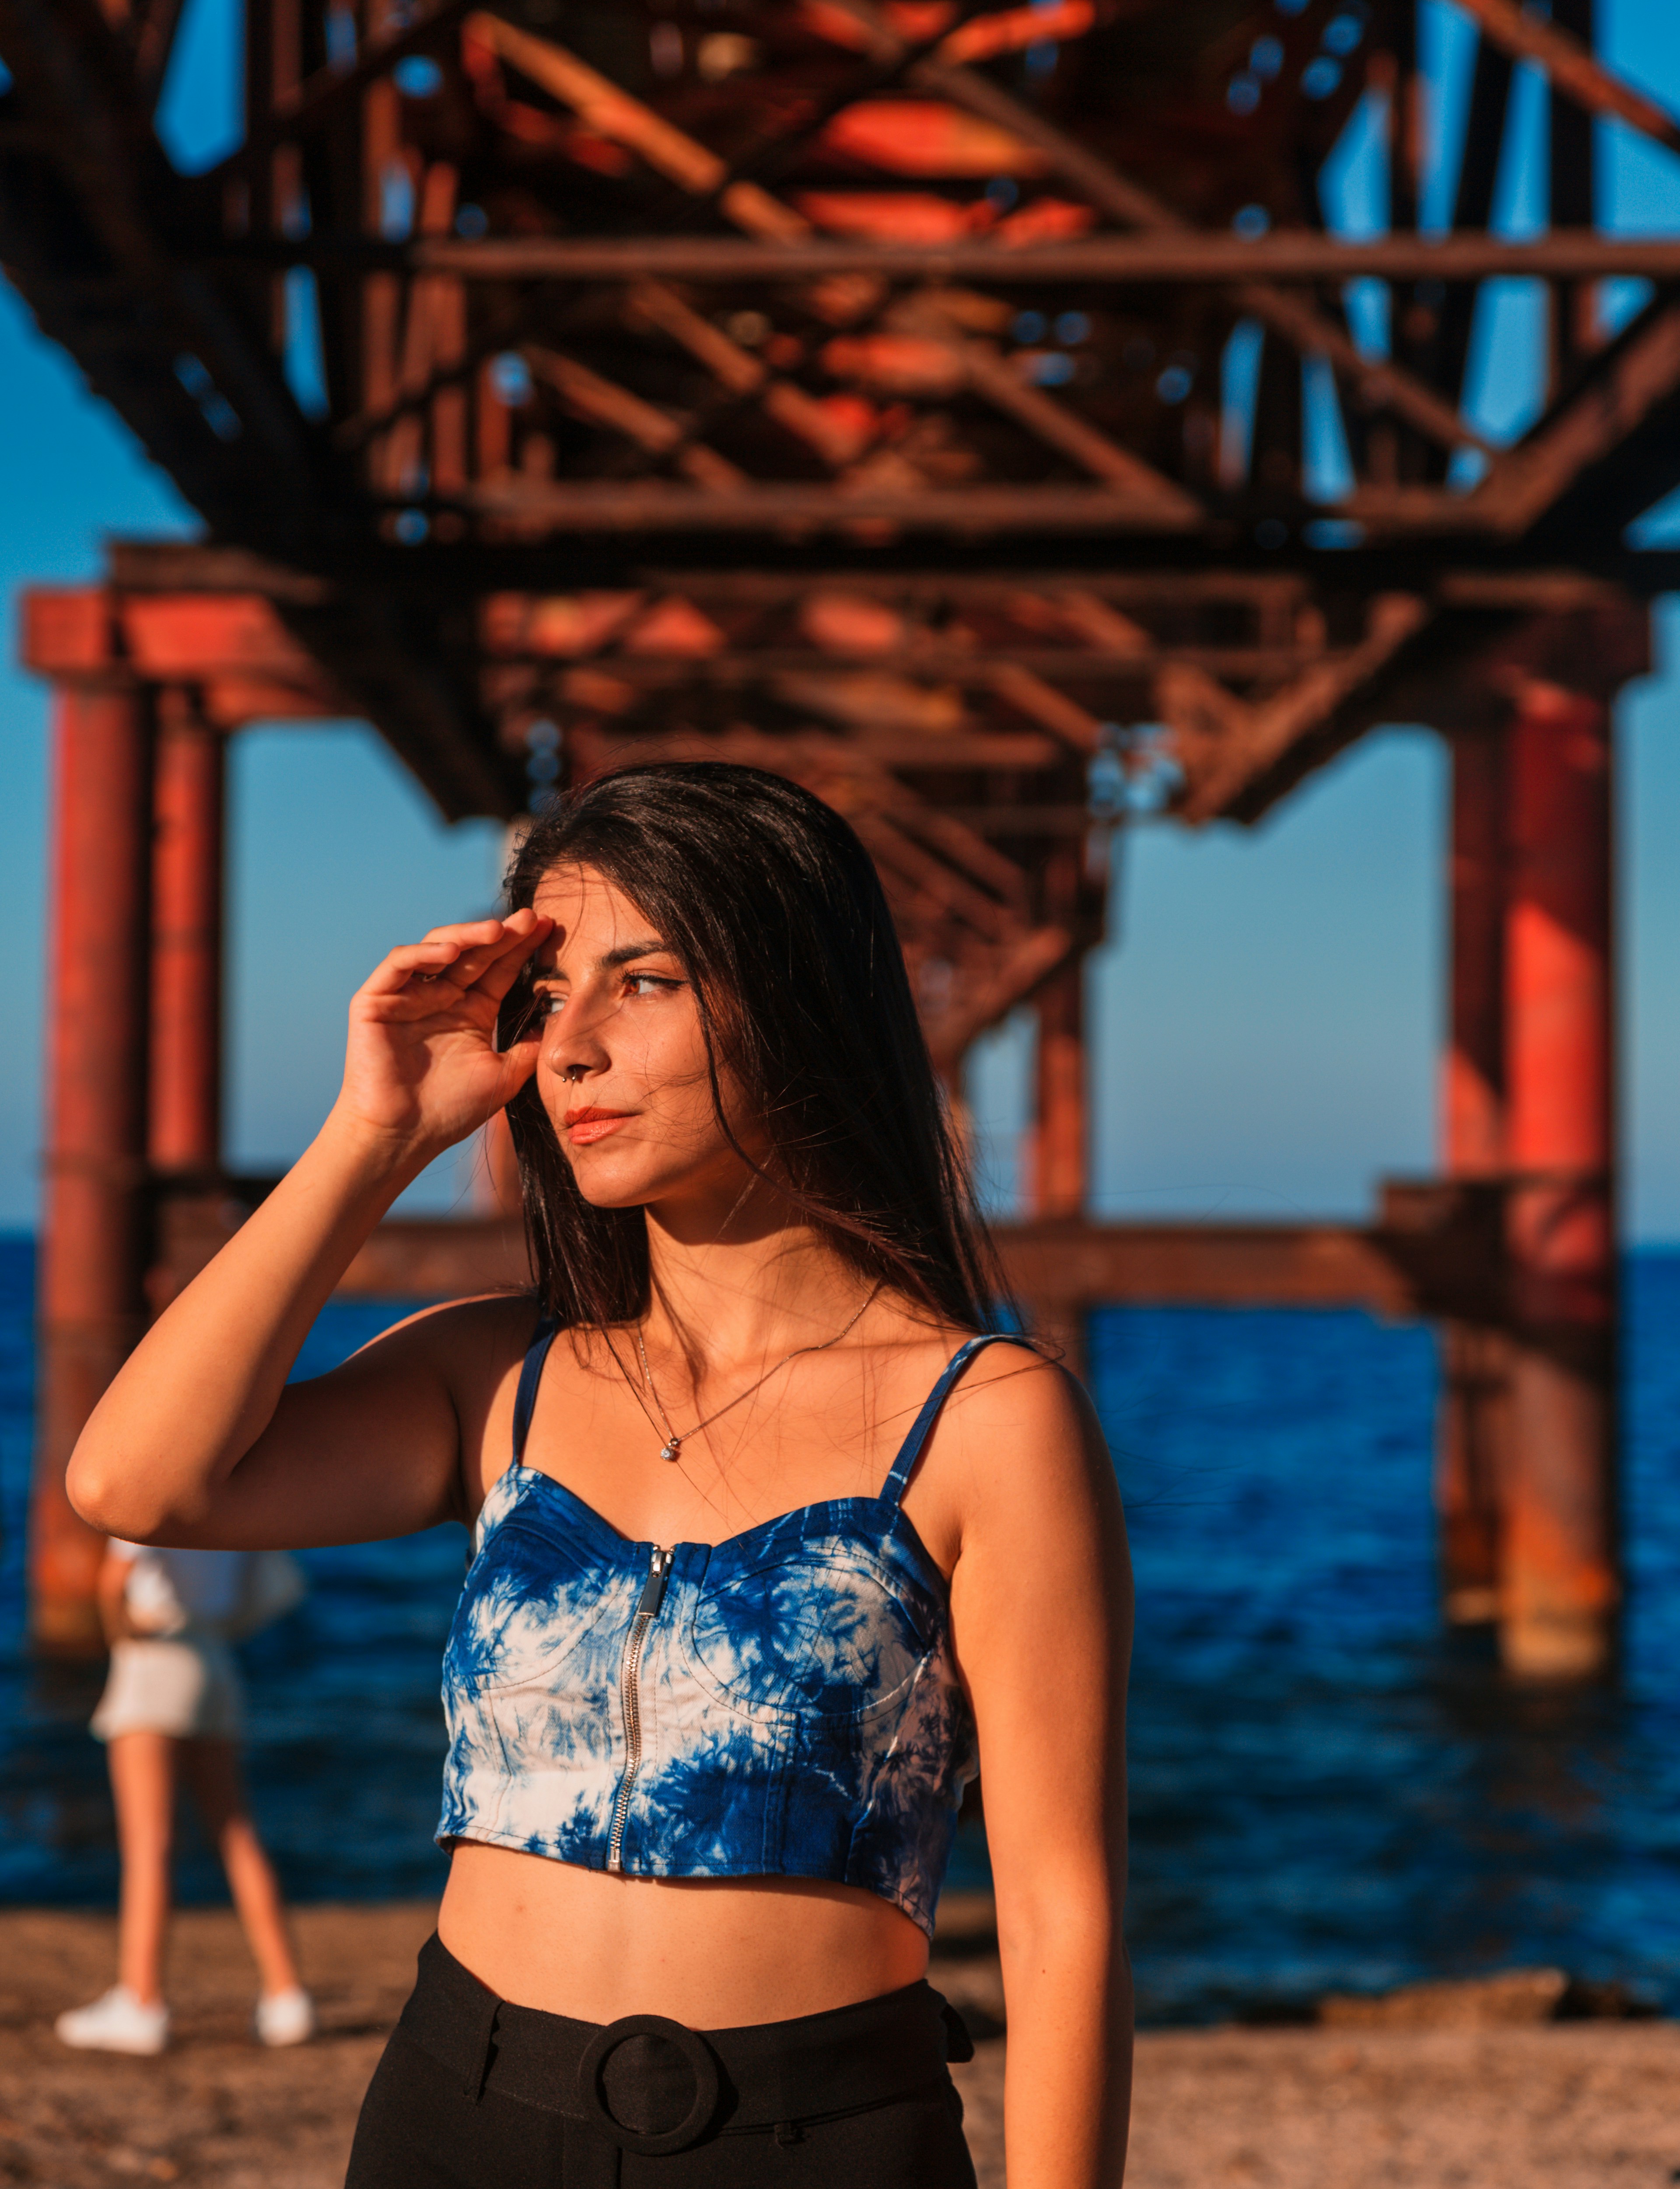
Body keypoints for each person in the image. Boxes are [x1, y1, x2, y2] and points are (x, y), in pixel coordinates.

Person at [66, 762, 1132, 2185]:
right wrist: (373, 1136)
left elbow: (1064, 1915)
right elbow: (137, 1486)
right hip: (459, 2115)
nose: (569, 1049)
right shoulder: (498, 1376)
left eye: (644, 982)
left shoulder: (985, 1418)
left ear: (799, 1002)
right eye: (548, 997)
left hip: (815, 2142)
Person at [56, 1538, 315, 2055]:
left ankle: (141, 2001)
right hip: (215, 1661)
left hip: (156, 1654)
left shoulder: (152, 1506)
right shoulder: (226, 1512)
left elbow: (114, 1582)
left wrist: (121, 1635)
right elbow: (253, 1593)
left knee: (148, 1843)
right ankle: (288, 1998)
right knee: (236, 1832)